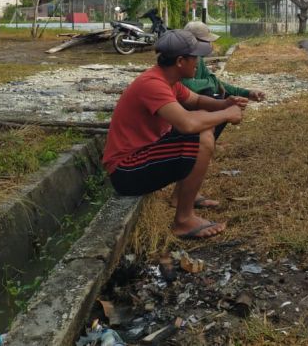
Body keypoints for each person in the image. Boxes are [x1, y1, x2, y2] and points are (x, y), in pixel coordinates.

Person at [102, 29, 245, 239]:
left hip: (143, 156)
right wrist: (226, 113)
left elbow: (195, 101)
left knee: (208, 121)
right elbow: (187, 124)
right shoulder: (153, 84)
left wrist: (224, 103)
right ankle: (183, 220)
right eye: (195, 57)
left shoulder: (167, 80)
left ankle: (182, 197)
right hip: (126, 170)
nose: (198, 62)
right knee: (201, 136)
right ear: (180, 61)